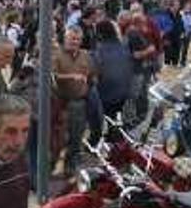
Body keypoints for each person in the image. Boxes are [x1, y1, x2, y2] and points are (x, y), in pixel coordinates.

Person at [53, 26, 96, 176]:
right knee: (58, 139)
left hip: (79, 103)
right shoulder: (56, 55)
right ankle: (50, 168)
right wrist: (71, 76)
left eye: (78, 39)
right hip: (60, 103)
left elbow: (92, 76)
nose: (75, 42)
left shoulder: (86, 56)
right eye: (72, 38)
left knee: (76, 137)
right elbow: (52, 76)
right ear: (65, 38)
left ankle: (70, 167)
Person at [93, 19, 134, 121]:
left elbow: (96, 76)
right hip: (124, 93)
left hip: (106, 96)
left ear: (100, 34)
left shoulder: (99, 52)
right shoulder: (124, 47)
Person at [180, 2, 191, 66]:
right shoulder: (181, 13)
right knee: (181, 47)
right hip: (182, 32)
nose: (188, 8)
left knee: (186, 47)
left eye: (189, 7)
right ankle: (179, 60)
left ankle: (183, 60)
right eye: (187, 6)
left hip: (189, 32)